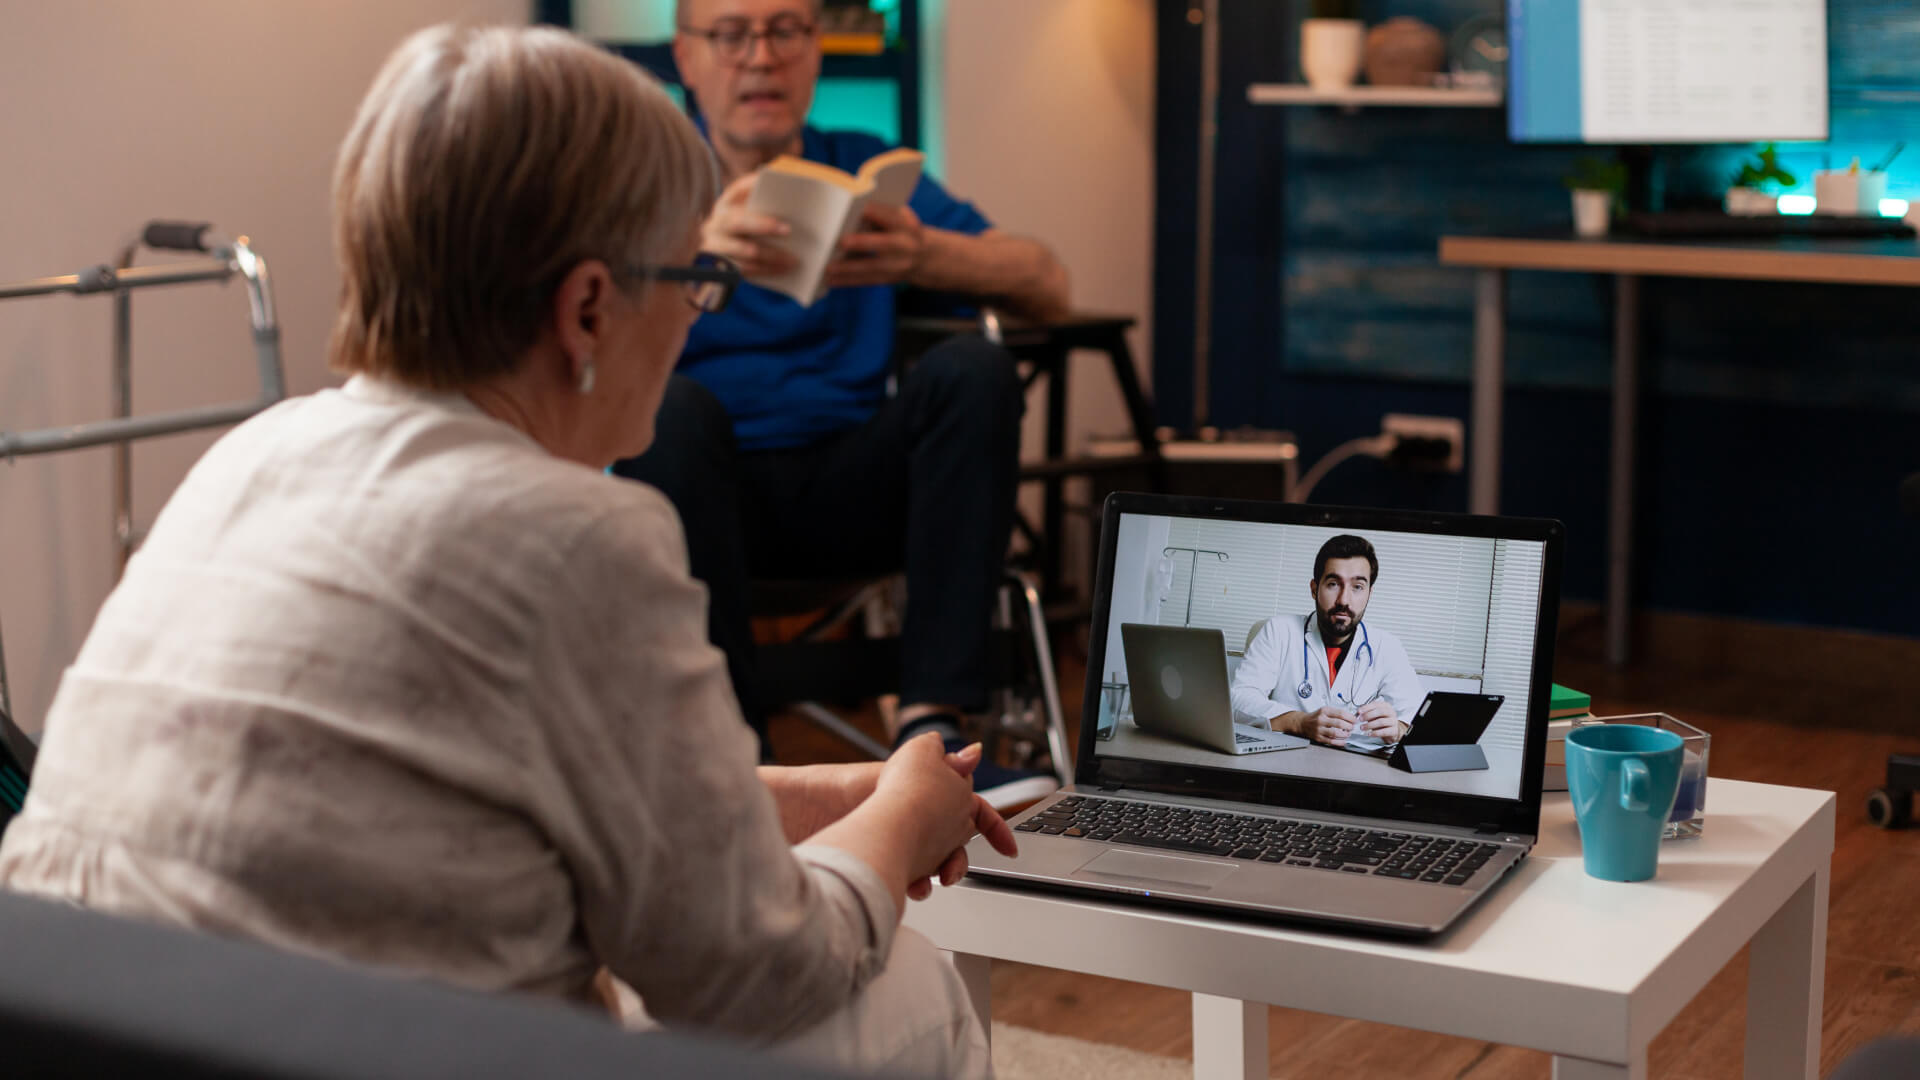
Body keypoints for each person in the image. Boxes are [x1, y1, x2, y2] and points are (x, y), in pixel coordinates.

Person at [0, 25, 1011, 1078]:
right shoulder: (574, 536)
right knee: (912, 987)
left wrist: (833, 796)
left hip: (85, 1036)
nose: (695, 313)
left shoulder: (245, 462)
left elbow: (482, 790)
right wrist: (900, 824)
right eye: (695, 277)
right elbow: (760, 982)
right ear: (586, 309)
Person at [610, 0, 1071, 808]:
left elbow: (1047, 280)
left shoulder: (864, 169)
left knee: (973, 368)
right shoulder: (641, 182)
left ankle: (931, 737)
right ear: (685, 58)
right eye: (731, 33)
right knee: (675, 414)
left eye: (786, 30)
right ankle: (737, 758)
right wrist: (694, 262)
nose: (761, 57)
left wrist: (927, 251)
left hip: (854, 481)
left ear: (817, 48)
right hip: (701, 497)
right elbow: (580, 342)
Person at [1231, 535, 1425, 752]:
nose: (1344, 600)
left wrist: (1398, 728)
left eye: (1358, 587)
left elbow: (1419, 718)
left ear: (1370, 593)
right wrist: (1299, 722)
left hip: (1355, 768)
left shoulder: (1387, 647)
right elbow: (1237, 700)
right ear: (1314, 588)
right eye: (1333, 584)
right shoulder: (1279, 630)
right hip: (1286, 759)